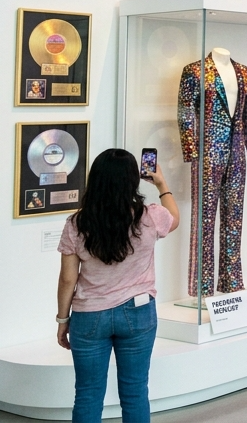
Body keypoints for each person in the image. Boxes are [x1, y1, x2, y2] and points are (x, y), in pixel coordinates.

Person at [57, 148, 180, 422]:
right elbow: (175, 218)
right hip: (138, 313)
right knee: (135, 391)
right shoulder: (150, 216)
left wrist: (63, 319)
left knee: (88, 393)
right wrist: (161, 183)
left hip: (89, 317)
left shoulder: (77, 224)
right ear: (132, 181)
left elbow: (68, 279)